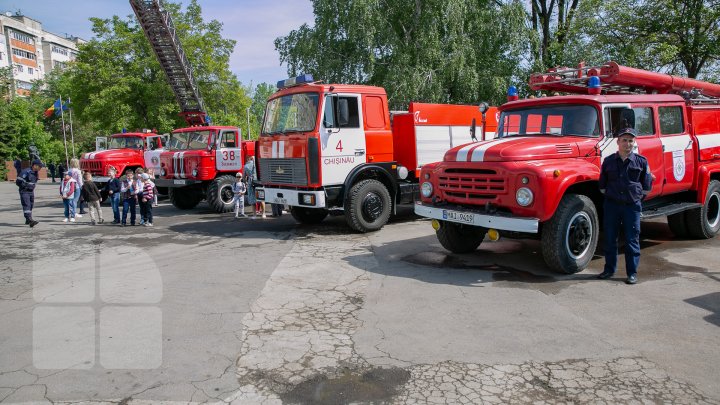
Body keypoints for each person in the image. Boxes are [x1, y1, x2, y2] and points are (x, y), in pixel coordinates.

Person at [597, 128, 653, 284]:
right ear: (618, 142)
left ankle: (632, 273)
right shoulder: (608, 161)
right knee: (609, 239)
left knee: (632, 240)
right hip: (612, 206)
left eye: (630, 141)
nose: (627, 144)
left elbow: (646, 187)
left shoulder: (641, 162)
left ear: (634, 143)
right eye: (624, 140)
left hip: (631, 207)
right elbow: (602, 185)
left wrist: (634, 199)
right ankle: (609, 270)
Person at [16, 159, 42, 227]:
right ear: (34, 166)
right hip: (24, 191)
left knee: (31, 205)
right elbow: (18, 182)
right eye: (39, 166)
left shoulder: (36, 173)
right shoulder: (26, 172)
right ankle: (30, 220)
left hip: (31, 191)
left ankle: (28, 220)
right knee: (26, 205)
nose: (40, 168)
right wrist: (25, 186)